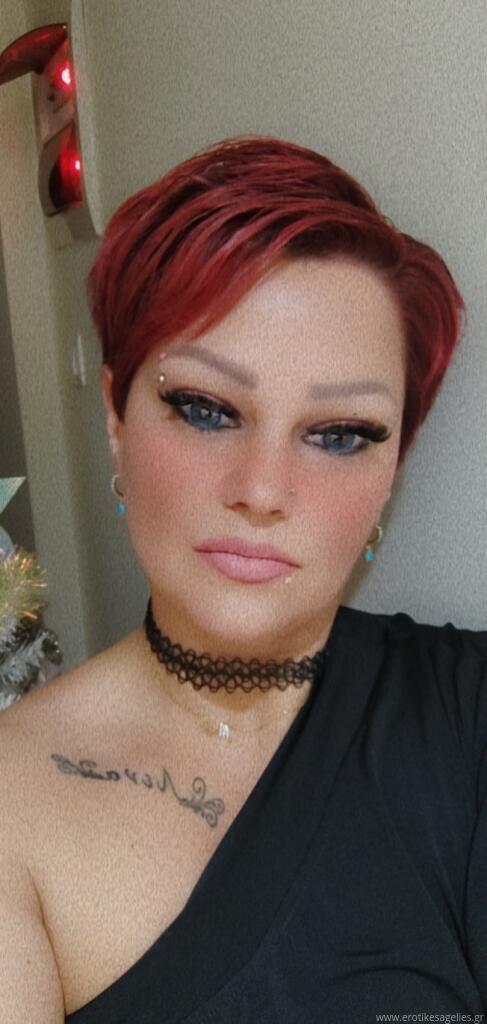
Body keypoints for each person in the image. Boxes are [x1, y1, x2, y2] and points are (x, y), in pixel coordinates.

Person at [0, 134, 485, 1024]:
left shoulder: (468, 717)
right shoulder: (11, 803)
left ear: (393, 467)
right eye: (205, 409)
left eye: (339, 434)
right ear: (115, 418)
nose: (261, 491)